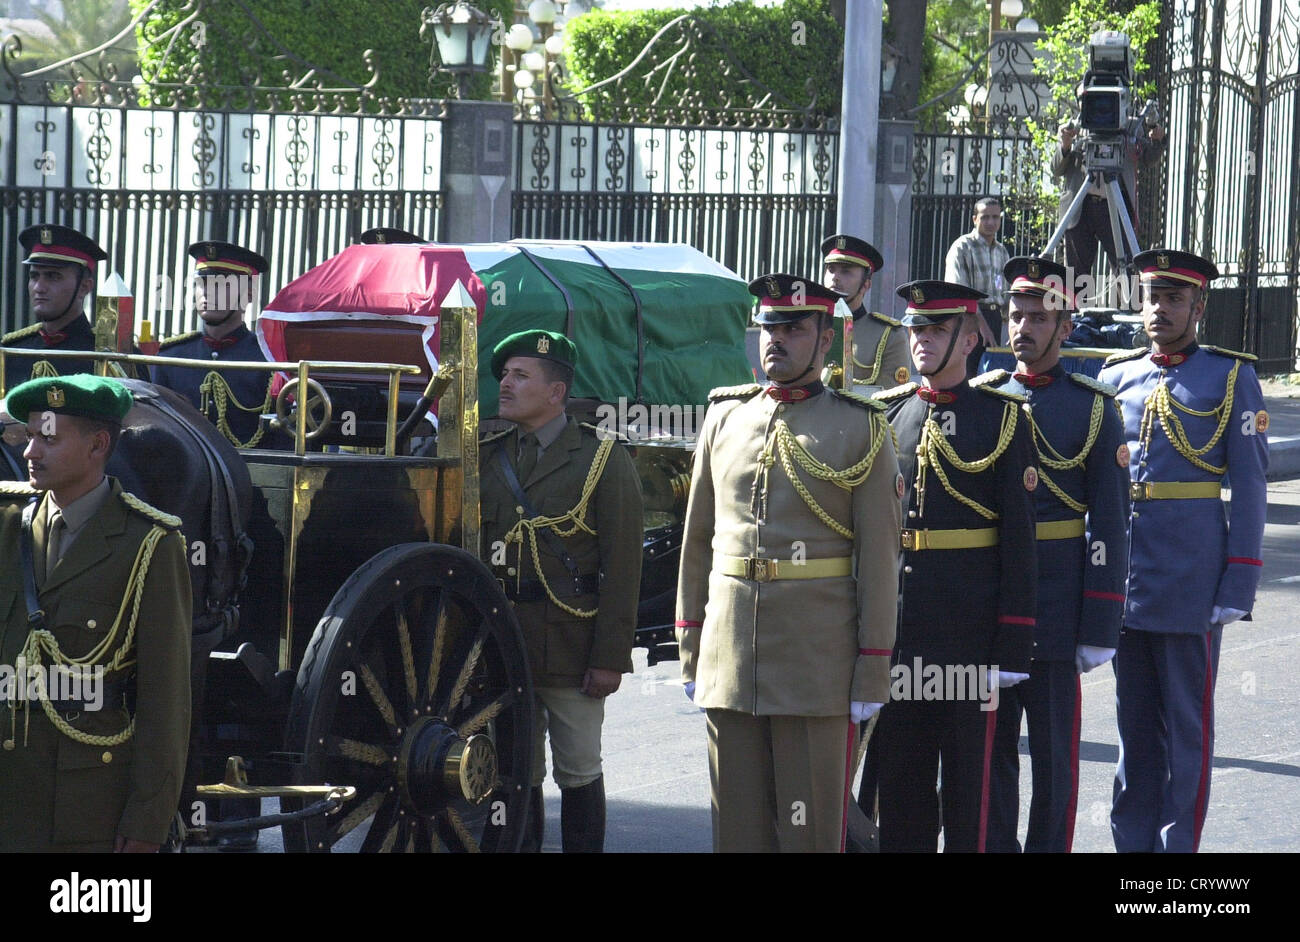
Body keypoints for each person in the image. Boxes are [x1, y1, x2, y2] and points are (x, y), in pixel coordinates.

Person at [675, 273, 901, 853]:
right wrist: (691, 644)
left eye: (795, 327)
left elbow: (879, 557)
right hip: (731, 657)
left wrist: (873, 664)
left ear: (826, 338)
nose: (776, 338)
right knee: (738, 832)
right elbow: (698, 539)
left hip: (815, 664)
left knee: (808, 831)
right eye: (769, 326)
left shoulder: (861, 425)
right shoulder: (725, 417)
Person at [1098, 249, 1267, 853]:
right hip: (1126, 579)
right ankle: (1132, 849)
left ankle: (1175, 857)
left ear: (1198, 306)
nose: (1160, 310)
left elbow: (1248, 484)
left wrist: (1239, 581)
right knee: (1132, 730)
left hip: (1192, 581)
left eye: (1173, 299)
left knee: (1186, 733)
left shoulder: (1229, 377)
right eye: (1152, 297)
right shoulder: (1115, 379)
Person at [871, 279, 1037, 853]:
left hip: (971, 638)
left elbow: (1021, 541)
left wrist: (1011, 645)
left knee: (975, 799)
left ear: (968, 340)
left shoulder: (1004, 419)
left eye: (936, 329)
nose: (920, 340)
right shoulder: (886, 417)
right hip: (901, 634)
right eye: (915, 328)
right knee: (902, 793)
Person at [0, 374, 191, 852]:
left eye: (48, 438)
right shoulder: (7, 525)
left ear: (98, 445)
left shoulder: (150, 544)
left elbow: (165, 698)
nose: (30, 453)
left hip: (85, 799)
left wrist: (149, 818)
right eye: (28, 437)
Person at [984, 257, 1130, 853]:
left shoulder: (1094, 407)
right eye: (1015, 315)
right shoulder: (985, 398)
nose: (1024, 327)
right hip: (992, 609)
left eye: (1038, 318)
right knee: (990, 762)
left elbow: (1110, 526)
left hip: (1057, 611)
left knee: (1054, 764)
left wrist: (1098, 623)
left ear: (1065, 327)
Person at [478, 330, 643, 853]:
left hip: (571, 643)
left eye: (520, 375)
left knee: (577, 769)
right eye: (504, 374)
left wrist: (609, 658)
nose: (505, 383)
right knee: (513, 769)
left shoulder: (601, 458)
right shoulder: (488, 453)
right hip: (505, 642)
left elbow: (623, 567)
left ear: (556, 392)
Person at [152, 241, 276, 449]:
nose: (207, 293)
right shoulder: (171, 357)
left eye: (221, 285)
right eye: (201, 284)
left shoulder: (268, 360)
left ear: (249, 294)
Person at [1052, 117, 1165, 301]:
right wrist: (1065, 145)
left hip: (1115, 204)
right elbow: (1057, 169)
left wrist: (1157, 140)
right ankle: (1073, 322)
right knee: (1075, 273)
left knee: (1126, 269)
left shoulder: (1128, 125)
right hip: (1080, 206)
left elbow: (1148, 157)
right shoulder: (1076, 124)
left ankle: (1129, 316)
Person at [2, 224, 109, 392]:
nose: (39, 287)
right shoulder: (11, 351)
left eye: (53, 276)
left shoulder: (108, 358)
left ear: (84, 287)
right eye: (34, 276)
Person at [820, 234, 911, 389]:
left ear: (866, 285)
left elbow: (890, 404)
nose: (835, 277)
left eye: (846, 271)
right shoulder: (806, 327)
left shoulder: (889, 335)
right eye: (831, 269)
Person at [944, 198, 1011, 378]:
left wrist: (1011, 326)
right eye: (985, 217)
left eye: (995, 217)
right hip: (969, 318)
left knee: (990, 377)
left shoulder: (1002, 252)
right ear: (974, 219)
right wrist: (982, 327)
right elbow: (959, 291)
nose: (991, 222)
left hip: (995, 318)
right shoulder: (962, 247)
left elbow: (1006, 295)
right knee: (966, 373)